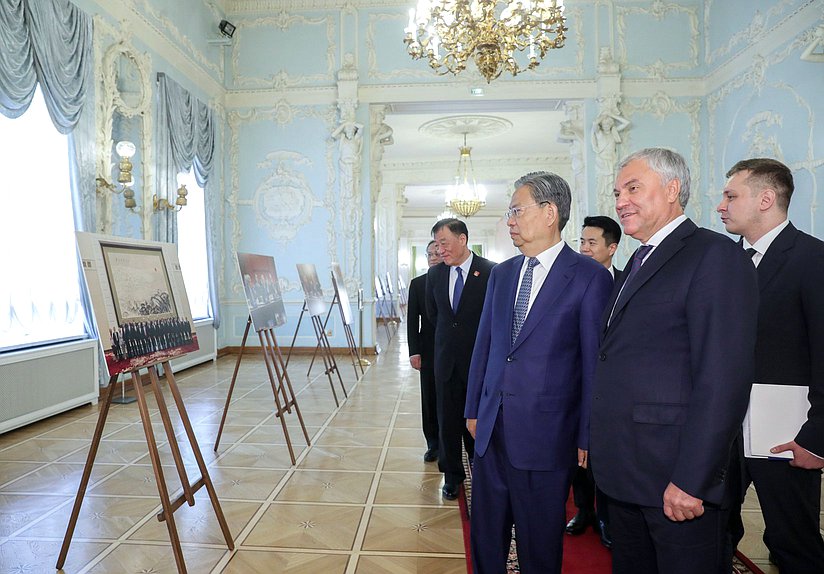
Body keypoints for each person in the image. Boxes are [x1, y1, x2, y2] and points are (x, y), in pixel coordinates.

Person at [589, 148, 758, 574]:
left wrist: (692, 479)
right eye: (616, 192)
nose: (620, 200)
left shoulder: (714, 255)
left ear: (672, 189)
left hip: (676, 478)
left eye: (632, 188)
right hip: (627, 473)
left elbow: (723, 380)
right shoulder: (637, 260)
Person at [465, 172, 612, 573]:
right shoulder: (502, 273)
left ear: (549, 213)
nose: (509, 220)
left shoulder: (588, 277)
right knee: (485, 537)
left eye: (516, 210)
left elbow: (592, 363)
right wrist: (473, 410)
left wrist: (586, 434)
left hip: (547, 436)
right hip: (491, 430)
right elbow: (486, 347)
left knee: (539, 544)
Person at [717, 158, 824, 573]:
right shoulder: (721, 261)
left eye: (731, 196)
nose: (721, 206)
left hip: (786, 431)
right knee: (713, 530)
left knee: (791, 538)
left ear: (766, 198)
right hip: (721, 428)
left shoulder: (813, 259)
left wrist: (817, 437)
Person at [425, 218, 495, 500]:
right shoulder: (435, 275)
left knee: (477, 420)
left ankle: (482, 468)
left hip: (479, 363)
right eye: (437, 244)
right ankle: (452, 475)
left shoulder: (491, 272)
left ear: (463, 239)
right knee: (448, 421)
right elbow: (434, 316)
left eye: (444, 243)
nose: (440, 250)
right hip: (446, 362)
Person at [567, 214, 623, 548]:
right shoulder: (570, 279)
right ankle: (584, 510)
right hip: (576, 381)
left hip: (612, 386)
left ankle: (607, 518)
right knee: (578, 453)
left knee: (604, 455)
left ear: (611, 247)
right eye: (582, 242)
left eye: (592, 243)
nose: (585, 249)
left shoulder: (625, 281)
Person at [406, 240, 442, 463]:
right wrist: (414, 351)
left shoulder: (454, 280)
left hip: (453, 349)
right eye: (429, 254)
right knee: (429, 397)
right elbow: (412, 321)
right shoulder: (418, 284)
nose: (433, 257)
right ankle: (433, 443)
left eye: (437, 253)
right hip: (428, 350)